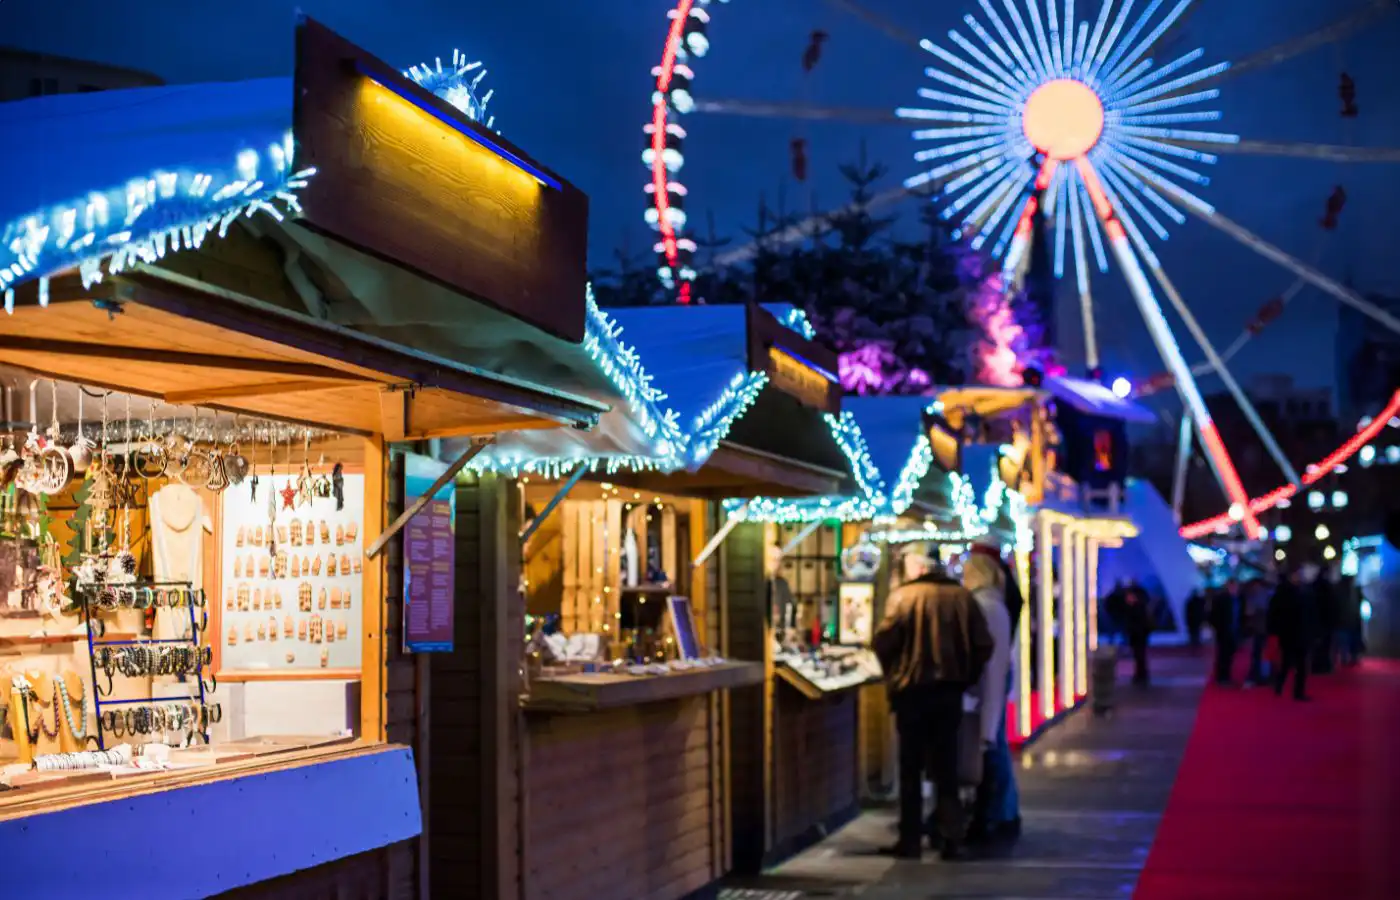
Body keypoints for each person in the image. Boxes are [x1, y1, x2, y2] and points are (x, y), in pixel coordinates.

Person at [873, 542, 994, 860]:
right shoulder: (962, 597)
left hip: (911, 694)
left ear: (919, 566)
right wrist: (965, 676)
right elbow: (984, 644)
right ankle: (950, 836)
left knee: (910, 767)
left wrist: (895, 674)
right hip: (948, 694)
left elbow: (884, 642)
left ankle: (910, 839)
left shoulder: (902, 597)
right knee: (946, 768)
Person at [962, 546, 1021, 845]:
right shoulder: (995, 602)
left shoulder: (985, 605)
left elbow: (989, 658)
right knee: (995, 747)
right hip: (992, 683)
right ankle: (1003, 812)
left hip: (987, 685)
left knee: (992, 749)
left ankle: (996, 814)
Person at [1268, 564, 1315, 701]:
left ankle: (1294, 690)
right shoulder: (1289, 593)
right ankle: (1285, 687)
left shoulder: (1299, 592)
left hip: (1296, 633)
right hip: (1290, 633)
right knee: (1288, 663)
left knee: (1296, 664)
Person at [1207, 579, 1242, 685]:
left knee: (1229, 655)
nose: (1234, 589)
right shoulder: (1221, 599)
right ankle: (1222, 677)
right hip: (1224, 632)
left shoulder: (1237, 599)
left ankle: (1226, 676)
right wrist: (1219, 628)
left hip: (1233, 631)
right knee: (1223, 655)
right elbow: (1213, 616)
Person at [1121, 580, 1152, 685]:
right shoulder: (1140, 607)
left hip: (1138, 633)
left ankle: (1140, 675)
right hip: (1138, 633)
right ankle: (1141, 674)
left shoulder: (1137, 609)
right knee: (1139, 654)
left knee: (1139, 654)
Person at [1185, 588, 1206, 653]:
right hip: (1195, 622)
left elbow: (1187, 613)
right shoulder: (1198, 602)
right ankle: (1196, 649)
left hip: (1193, 622)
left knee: (1195, 635)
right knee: (1195, 635)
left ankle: (1194, 649)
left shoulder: (1191, 602)